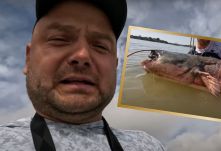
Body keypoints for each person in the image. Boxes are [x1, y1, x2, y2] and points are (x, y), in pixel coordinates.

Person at [0, 0, 165, 150]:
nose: (82, 55)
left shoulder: (149, 146)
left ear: (115, 66)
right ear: (28, 59)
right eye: (59, 39)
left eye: (100, 46)